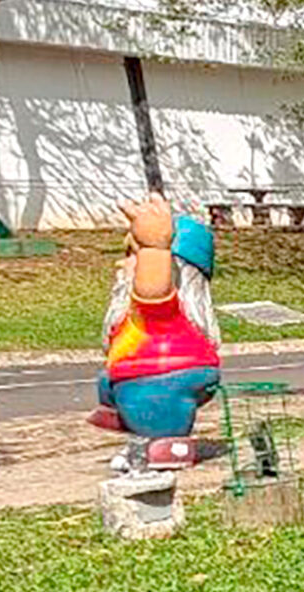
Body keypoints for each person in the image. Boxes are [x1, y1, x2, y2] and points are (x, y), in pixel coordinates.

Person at [92, 195, 220, 466]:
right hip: (150, 372)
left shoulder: (159, 308)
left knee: (144, 391)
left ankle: (169, 445)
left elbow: (154, 287)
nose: (122, 265)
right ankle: (137, 425)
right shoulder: (136, 316)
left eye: (131, 255)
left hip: (167, 373)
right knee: (109, 382)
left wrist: (154, 247)